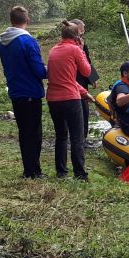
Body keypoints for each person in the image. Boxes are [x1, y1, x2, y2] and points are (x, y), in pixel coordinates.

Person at [0, 4, 48, 178]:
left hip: (15, 90)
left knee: (24, 131)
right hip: (30, 91)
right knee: (34, 132)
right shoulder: (27, 41)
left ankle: (28, 169)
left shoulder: (2, 42)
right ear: (27, 20)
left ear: (11, 20)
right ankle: (34, 171)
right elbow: (39, 70)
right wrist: (53, 70)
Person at [46, 20, 93, 179]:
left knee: (61, 135)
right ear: (76, 37)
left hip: (53, 98)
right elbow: (86, 71)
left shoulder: (53, 50)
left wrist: (84, 93)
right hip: (70, 99)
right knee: (77, 136)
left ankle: (61, 171)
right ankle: (80, 173)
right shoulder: (74, 49)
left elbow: (63, 78)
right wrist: (82, 51)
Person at [69, 19, 98, 147]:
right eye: (81, 29)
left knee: (84, 110)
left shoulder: (82, 43)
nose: (83, 31)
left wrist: (92, 78)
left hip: (83, 79)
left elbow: (87, 60)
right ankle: (77, 139)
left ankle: (83, 138)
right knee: (79, 109)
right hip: (74, 79)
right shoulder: (71, 45)